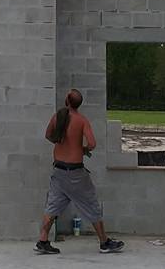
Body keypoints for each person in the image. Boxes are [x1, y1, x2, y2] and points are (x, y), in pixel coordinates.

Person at [35, 89, 125, 255]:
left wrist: (60, 142)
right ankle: (104, 242)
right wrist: (81, 149)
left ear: (67, 101)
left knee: (52, 206)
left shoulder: (58, 117)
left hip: (58, 170)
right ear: (78, 103)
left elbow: (48, 135)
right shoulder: (81, 120)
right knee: (91, 205)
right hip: (75, 173)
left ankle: (43, 240)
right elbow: (92, 143)